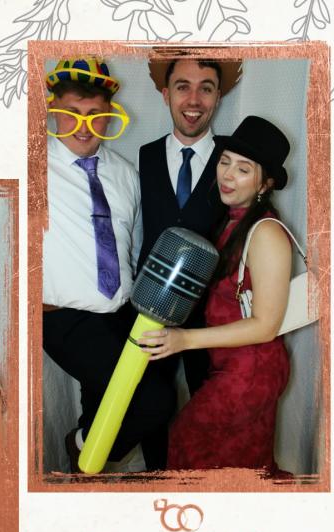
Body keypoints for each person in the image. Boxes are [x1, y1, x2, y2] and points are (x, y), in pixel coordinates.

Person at [137, 115, 293, 471]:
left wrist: (184, 340)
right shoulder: (233, 220)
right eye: (225, 162)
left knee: (187, 444)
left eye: (243, 169)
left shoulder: (266, 233)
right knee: (242, 465)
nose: (227, 175)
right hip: (231, 365)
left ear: (265, 183)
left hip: (252, 369)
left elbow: (266, 326)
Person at [42, 55, 174, 472]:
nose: (84, 126)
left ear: (110, 115)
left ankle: (87, 473)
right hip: (65, 319)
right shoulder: (29, 170)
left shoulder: (125, 174)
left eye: (96, 115)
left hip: (120, 313)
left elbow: (129, 243)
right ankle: (81, 446)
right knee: (155, 401)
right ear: (53, 111)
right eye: (72, 113)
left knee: (106, 409)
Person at [134, 57, 243, 452]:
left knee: (211, 410)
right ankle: (157, 479)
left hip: (212, 316)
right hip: (149, 309)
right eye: (183, 86)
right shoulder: (144, 156)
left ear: (218, 97)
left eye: (206, 88)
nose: (194, 99)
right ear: (166, 94)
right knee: (149, 406)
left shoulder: (234, 161)